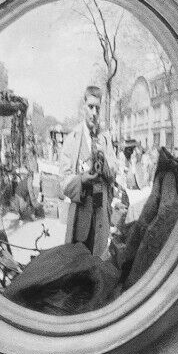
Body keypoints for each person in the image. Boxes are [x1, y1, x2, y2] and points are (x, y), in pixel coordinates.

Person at [60, 85, 117, 258]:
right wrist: (81, 179)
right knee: (76, 264)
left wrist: (104, 159)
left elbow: (113, 174)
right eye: (90, 107)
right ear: (83, 107)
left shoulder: (105, 139)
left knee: (97, 263)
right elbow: (63, 183)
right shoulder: (72, 139)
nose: (94, 113)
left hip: (100, 218)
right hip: (80, 218)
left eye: (97, 108)